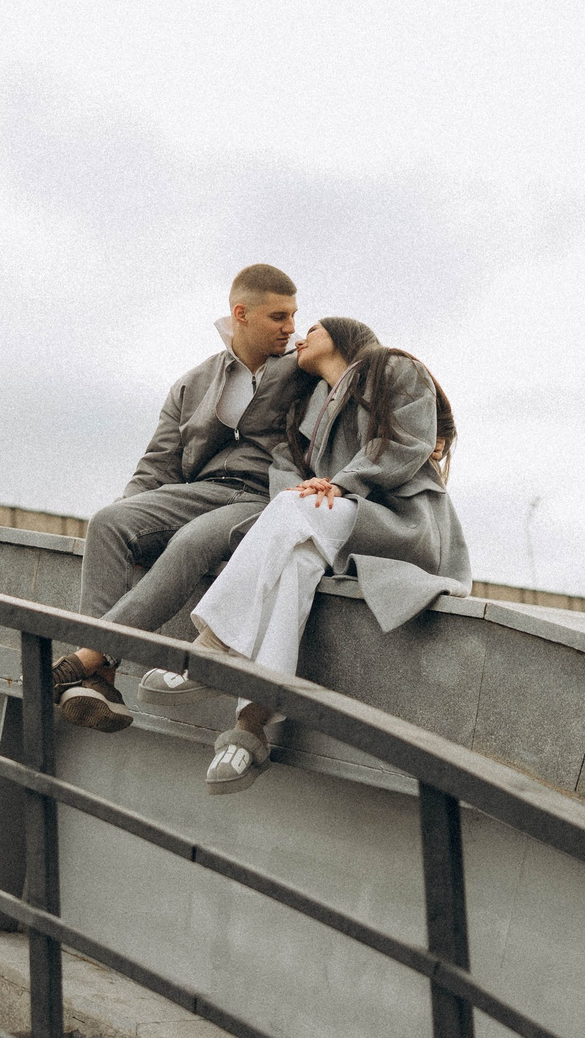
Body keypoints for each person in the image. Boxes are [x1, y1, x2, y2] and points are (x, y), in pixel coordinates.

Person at [193, 315, 468, 793]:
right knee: (296, 562)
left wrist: (340, 484)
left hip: (398, 523)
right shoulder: (310, 409)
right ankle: (251, 727)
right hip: (334, 526)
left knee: (297, 509)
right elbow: (288, 478)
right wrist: (313, 489)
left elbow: (406, 442)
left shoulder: (393, 367)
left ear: (343, 334)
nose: (301, 337)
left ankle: (216, 641)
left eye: (313, 329)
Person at [53, 264, 314, 732]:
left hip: (267, 500)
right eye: (279, 317)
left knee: (193, 540)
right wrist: (130, 518)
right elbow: (156, 466)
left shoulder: (304, 369)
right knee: (109, 521)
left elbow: (360, 375)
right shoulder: (194, 383)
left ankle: (84, 658)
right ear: (242, 314)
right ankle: (101, 681)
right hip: (203, 490)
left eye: (294, 315)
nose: (291, 327)